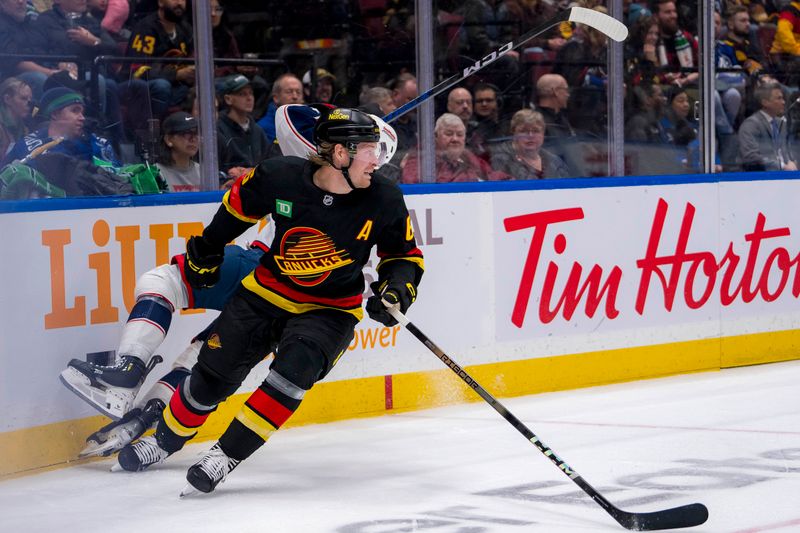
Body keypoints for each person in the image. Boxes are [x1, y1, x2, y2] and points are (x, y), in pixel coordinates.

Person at [114, 108, 423, 498]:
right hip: (265, 293)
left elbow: (404, 257)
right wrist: (207, 250)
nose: (377, 160)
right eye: (368, 150)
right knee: (210, 378)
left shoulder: (384, 198)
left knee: (291, 377)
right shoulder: (280, 176)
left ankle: (225, 455)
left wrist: (396, 289)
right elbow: (235, 211)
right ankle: (165, 440)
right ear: (340, 154)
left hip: (329, 311)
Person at [401, 112, 508, 183]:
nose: (455, 139)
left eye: (460, 134)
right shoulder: (422, 155)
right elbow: (412, 181)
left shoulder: (467, 155)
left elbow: (490, 175)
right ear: (436, 136)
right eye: (449, 134)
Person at [216, 74, 270, 186]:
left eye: (251, 93)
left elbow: (267, 163)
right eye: (242, 94)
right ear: (228, 99)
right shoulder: (218, 129)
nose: (249, 98)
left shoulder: (258, 130)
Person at [490, 109, 570, 179]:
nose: (530, 136)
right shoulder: (501, 159)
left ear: (543, 133)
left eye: (536, 131)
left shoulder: (555, 161)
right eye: (524, 131)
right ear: (513, 133)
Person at [738, 81, 797, 171]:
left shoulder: (781, 123)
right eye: (779, 98)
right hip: (761, 179)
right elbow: (751, 157)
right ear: (765, 102)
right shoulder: (751, 125)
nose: (784, 102)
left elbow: (788, 151)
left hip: (786, 175)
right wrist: (782, 166)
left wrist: (792, 161)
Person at [157, 110, 200, 192]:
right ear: (168, 139)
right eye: (186, 133)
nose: (193, 139)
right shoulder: (157, 174)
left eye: (196, 133)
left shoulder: (203, 172)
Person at [256, 73, 304, 145]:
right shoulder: (262, 129)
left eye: (298, 92)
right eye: (289, 92)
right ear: (276, 98)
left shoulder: (310, 124)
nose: (295, 96)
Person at [0, 77, 32, 159]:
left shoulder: (25, 129)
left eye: (30, 99)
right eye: (23, 98)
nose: (29, 104)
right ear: (7, 99)